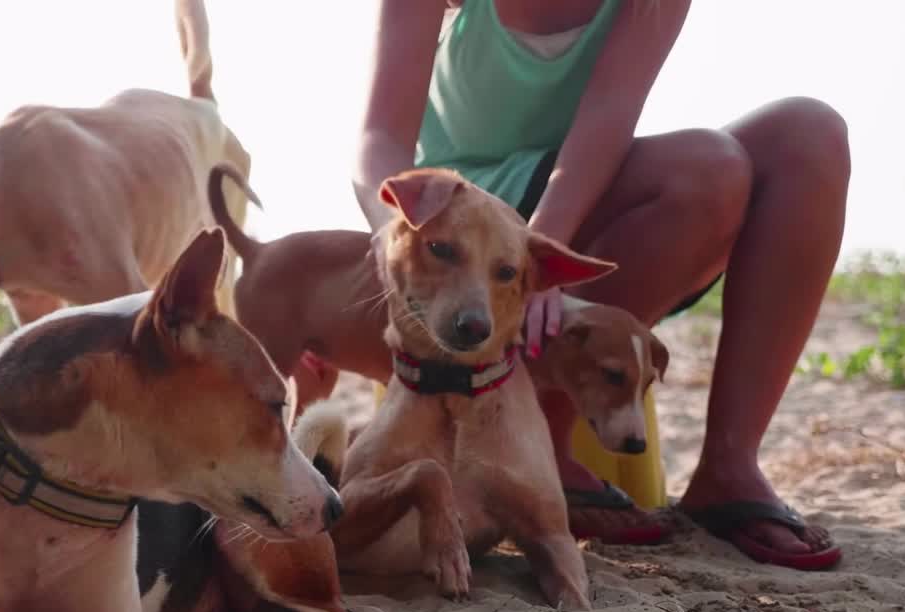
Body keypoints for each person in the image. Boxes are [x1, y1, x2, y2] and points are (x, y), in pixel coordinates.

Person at [351, 0, 848, 570]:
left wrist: (542, 261)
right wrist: (390, 224)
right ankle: (545, 452)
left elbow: (606, 122)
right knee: (707, 167)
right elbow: (379, 138)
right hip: (459, 229)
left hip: (566, 215)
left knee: (810, 133)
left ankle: (730, 468)